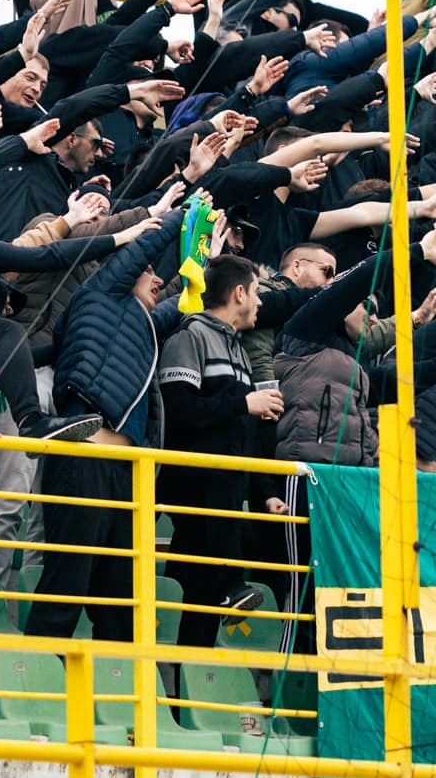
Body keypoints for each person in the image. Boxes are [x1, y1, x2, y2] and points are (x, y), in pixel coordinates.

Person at [25, 210, 186, 641]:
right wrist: (188, 212)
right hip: (84, 459)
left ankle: (117, 702)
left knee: (120, 601)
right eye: (149, 272)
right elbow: (141, 249)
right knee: (67, 586)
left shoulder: (138, 321)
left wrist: (203, 258)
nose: (157, 280)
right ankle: (37, 686)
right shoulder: (98, 293)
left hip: (123, 473)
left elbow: (184, 302)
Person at [157, 253, 285, 644]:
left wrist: (264, 493)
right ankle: (230, 586)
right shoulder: (189, 336)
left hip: (226, 485)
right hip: (195, 482)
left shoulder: (240, 348)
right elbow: (179, 410)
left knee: (199, 593)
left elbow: (236, 428)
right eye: (258, 293)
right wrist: (243, 404)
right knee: (205, 583)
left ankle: (183, 686)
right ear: (239, 293)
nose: (261, 303)